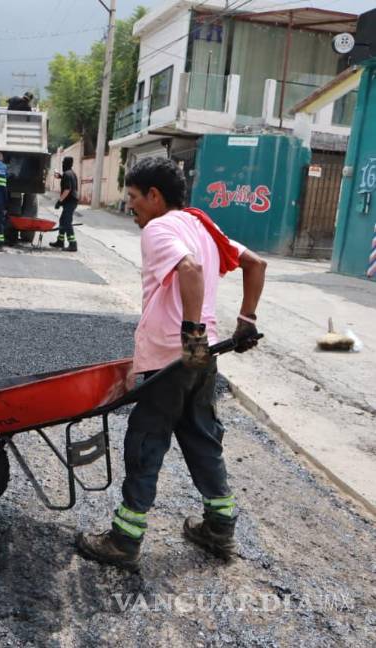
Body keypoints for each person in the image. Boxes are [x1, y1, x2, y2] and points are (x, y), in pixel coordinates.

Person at [76, 157, 267, 570]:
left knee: (146, 441)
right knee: (202, 437)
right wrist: (246, 320)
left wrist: (192, 334)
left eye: (133, 197)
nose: (131, 206)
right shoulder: (202, 226)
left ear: (154, 196)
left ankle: (124, 540)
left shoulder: (161, 228)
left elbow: (190, 269)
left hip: (171, 356)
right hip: (203, 359)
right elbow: (256, 263)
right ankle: (219, 527)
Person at [51, 156, 79, 251]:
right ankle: (60, 241)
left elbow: (67, 189)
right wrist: (60, 176)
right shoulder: (71, 173)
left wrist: (60, 201)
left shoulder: (67, 174)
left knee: (67, 222)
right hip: (72, 201)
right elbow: (68, 180)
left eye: (63, 163)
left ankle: (73, 244)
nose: (62, 164)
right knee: (63, 220)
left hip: (70, 201)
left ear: (65, 163)